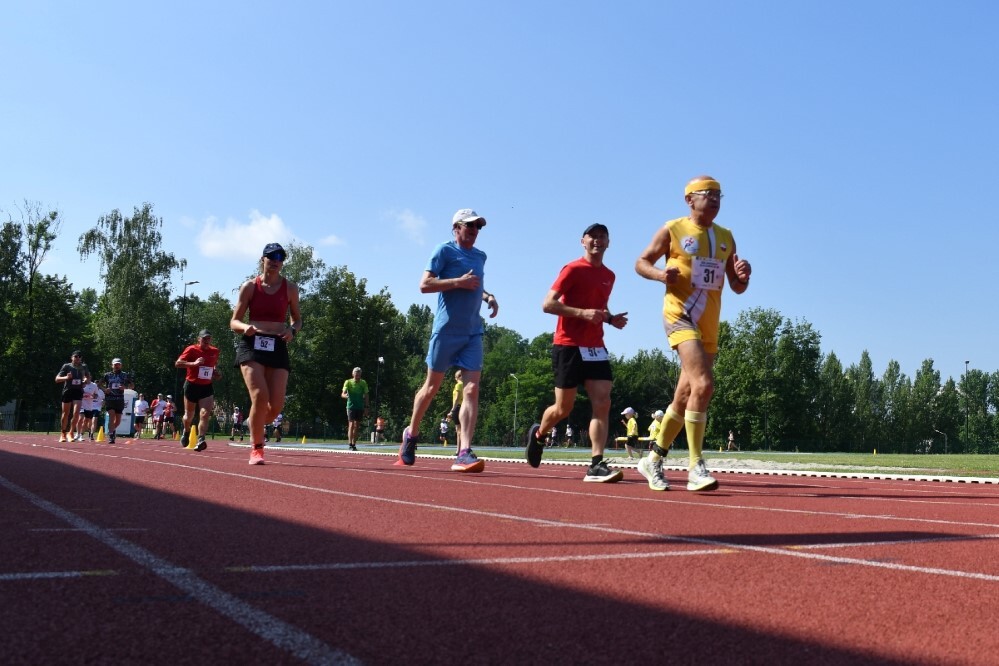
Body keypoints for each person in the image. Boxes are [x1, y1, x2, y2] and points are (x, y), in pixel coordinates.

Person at [635, 175, 752, 492]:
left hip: (708, 324)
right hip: (680, 315)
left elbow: (737, 286)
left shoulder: (726, 237)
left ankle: (653, 459)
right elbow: (641, 262)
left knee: (684, 397)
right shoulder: (673, 229)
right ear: (689, 199)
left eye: (718, 195)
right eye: (707, 193)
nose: (714, 199)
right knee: (704, 384)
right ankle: (695, 466)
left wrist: (743, 276)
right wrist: (661, 274)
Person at [396, 208, 499, 472]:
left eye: (477, 227)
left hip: (472, 332)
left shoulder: (481, 256)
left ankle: (464, 451)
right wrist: (457, 283)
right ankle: (411, 433)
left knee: (472, 389)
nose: (474, 230)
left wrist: (487, 296)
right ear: (456, 229)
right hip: (446, 331)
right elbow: (424, 285)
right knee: (431, 388)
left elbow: (475, 283)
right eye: (469, 225)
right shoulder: (444, 250)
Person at [525, 223, 628, 482]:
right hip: (568, 345)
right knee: (564, 408)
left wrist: (610, 319)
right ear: (583, 241)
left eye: (602, 236)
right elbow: (547, 304)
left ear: (608, 243)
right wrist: (582, 314)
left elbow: (599, 306)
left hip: (595, 347)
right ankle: (539, 434)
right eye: (592, 236)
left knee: (603, 402)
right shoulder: (572, 269)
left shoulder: (609, 275)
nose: (597, 240)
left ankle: (596, 464)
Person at [230, 242, 302, 465]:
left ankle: (254, 422)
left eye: (280, 257)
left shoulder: (290, 288)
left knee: (276, 405)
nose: (275, 261)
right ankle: (257, 449)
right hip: (252, 344)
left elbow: (297, 320)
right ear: (263, 259)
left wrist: (292, 330)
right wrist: (245, 328)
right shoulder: (250, 287)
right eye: (271, 256)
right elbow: (234, 321)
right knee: (260, 397)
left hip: (277, 344)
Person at [175, 329, 221, 451]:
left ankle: (201, 439)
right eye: (204, 338)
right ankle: (186, 431)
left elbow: (214, 366)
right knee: (188, 416)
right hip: (191, 385)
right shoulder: (191, 349)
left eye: (208, 339)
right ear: (199, 339)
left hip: (206, 386)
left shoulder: (215, 351)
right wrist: (194, 363)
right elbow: (178, 363)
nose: (206, 341)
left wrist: (216, 373)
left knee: (205, 414)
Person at [55, 350, 90, 442]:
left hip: (78, 391)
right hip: (68, 391)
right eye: (76, 356)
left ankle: (71, 433)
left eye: (79, 357)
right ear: (72, 357)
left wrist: (85, 380)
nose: (77, 358)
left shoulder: (84, 367)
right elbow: (57, 379)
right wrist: (66, 377)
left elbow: (88, 377)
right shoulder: (67, 366)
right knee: (65, 413)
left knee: (76, 413)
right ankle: (63, 433)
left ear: (81, 358)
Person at [100, 357, 133, 444]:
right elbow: (99, 384)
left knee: (118, 421)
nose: (117, 366)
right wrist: (105, 389)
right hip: (110, 399)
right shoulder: (107, 375)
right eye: (115, 365)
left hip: (119, 399)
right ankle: (111, 435)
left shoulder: (125, 375)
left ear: (121, 365)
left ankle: (112, 430)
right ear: (112, 365)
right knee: (111, 416)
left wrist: (125, 387)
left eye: (118, 364)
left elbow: (132, 385)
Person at [341, 367, 369, 451]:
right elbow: (342, 394)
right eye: (356, 375)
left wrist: (366, 407)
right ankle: (350, 444)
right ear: (353, 374)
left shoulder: (363, 383)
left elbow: (366, 395)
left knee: (357, 426)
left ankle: (354, 444)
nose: (357, 376)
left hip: (359, 406)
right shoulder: (348, 382)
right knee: (351, 424)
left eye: (359, 375)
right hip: (350, 406)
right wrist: (346, 396)